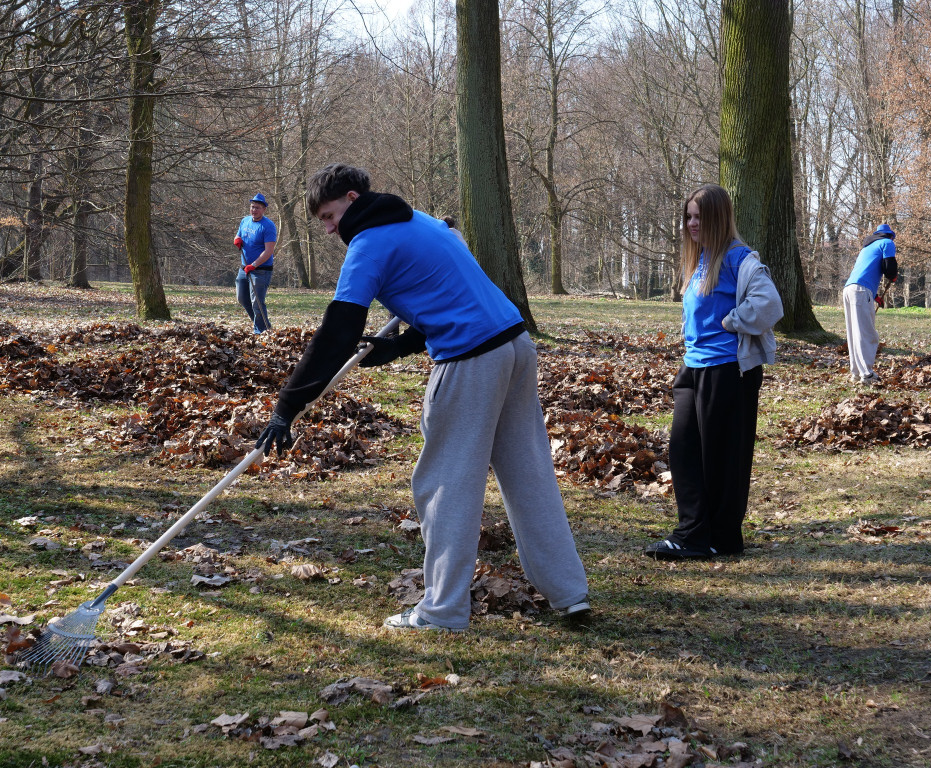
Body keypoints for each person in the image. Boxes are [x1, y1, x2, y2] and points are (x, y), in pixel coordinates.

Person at [254, 163, 590, 631]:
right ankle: (570, 592)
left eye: (330, 217)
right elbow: (452, 288)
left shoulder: (369, 244)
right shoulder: (425, 221)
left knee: (445, 485)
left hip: (471, 359)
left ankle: (443, 610)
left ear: (353, 200)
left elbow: (337, 332)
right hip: (515, 344)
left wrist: (287, 406)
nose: (329, 230)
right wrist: (400, 346)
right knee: (527, 473)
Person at [645, 184, 783, 561]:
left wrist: (734, 320)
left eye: (699, 217)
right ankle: (693, 533)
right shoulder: (701, 258)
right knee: (684, 449)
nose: (691, 223)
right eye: (688, 216)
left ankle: (721, 538)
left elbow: (770, 304)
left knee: (722, 458)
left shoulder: (739, 258)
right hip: (694, 367)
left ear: (718, 219)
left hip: (727, 371)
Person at [843, 223, 898, 385]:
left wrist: (875, 297)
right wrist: (893, 276)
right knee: (867, 334)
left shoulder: (866, 248)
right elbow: (889, 269)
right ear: (889, 235)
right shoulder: (887, 243)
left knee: (854, 334)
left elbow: (864, 273)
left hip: (849, 289)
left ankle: (855, 373)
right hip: (860, 291)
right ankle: (867, 375)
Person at [234, 193, 278, 333]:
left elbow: (268, 251)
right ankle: (263, 326)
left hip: (261, 270)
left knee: (257, 303)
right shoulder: (245, 221)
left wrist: (253, 265)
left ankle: (261, 331)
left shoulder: (268, 226)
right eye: (252, 207)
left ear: (264, 209)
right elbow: (239, 235)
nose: (254, 210)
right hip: (244, 268)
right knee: (242, 298)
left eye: (257, 208)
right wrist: (237, 240)